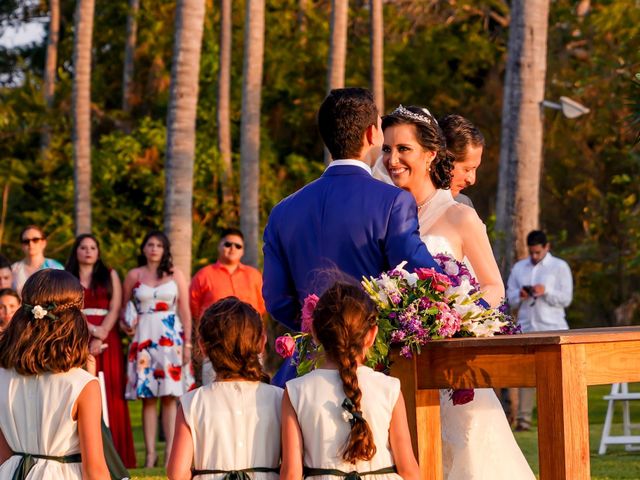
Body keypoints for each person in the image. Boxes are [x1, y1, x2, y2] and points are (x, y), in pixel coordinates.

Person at [380, 104, 534, 479]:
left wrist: (462, 318)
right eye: (387, 150)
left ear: (431, 155)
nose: (392, 159)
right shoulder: (382, 217)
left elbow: (494, 285)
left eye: (403, 150)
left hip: (453, 367)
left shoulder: (459, 216)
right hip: (399, 368)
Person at [263, 88, 441, 385]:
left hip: (305, 371)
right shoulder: (392, 203)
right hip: (371, 368)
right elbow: (423, 278)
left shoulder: (283, 211)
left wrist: (320, 328)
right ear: (373, 133)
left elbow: (276, 297)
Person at [281, 282, 419, 480]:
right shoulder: (389, 388)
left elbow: (291, 474)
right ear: (372, 335)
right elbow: (409, 470)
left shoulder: (296, 391)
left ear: (315, 333)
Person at [0, 269, 110, 479]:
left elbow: (3, 454)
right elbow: (94, 470)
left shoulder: (2, 376)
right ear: (75, 320)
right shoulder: (82, 385)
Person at [167, 297, 282, 480]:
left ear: (203, 347)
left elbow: (177, 474)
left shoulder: (192, 402)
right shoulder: (280, 399)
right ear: (261, 343)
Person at [122, 230, 194, 468]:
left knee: (170, 397)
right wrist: (127, 326)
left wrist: (188, 344)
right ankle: (151, 455)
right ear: (143, 248)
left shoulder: (175, 275)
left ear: (164, 250)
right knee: (148, 398)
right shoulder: (134, 275)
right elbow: (124, 309)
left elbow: (184, 310)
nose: (154, 248)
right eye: (150, 244)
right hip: (143, 338)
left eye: (158, 245)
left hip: (170, 337)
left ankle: (171, 455)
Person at [65, 234, 137, 468]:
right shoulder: (68, 277)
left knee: (111, 392)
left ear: (98, 251)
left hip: (108, 338)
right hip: (77, 334)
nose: (88, 251)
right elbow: (69, 307)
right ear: (76, 251)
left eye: (92, 247)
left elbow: (117, 304)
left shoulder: (110, 274)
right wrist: (90, 331)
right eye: (83, 247)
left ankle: (117, 453)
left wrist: (102, 332)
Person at [507, 229, 573, 432]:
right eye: (532, 252)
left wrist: (546, 291)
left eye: (538, 252)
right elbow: (509, 298)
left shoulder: (559, 267)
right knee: (527, 375)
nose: (535, 256)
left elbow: (566, 298)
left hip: (553, 326)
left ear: (547, 247)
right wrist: (520, 295)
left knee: (558, 377)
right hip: (527, 326)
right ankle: (524, 419)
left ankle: (561, 417)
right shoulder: (519, 268)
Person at [439, 114, 485, 208]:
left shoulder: (464, 204)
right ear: (442, 159)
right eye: (467, 169)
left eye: (475, 169)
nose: (472, 180)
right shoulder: (404, 201)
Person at [12, 225, 64, 294]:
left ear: (44, 242)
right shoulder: (13, 270)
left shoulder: (56, 268)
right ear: (22, 245)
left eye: (35, 240)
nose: (30, 244)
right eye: (26, 241)